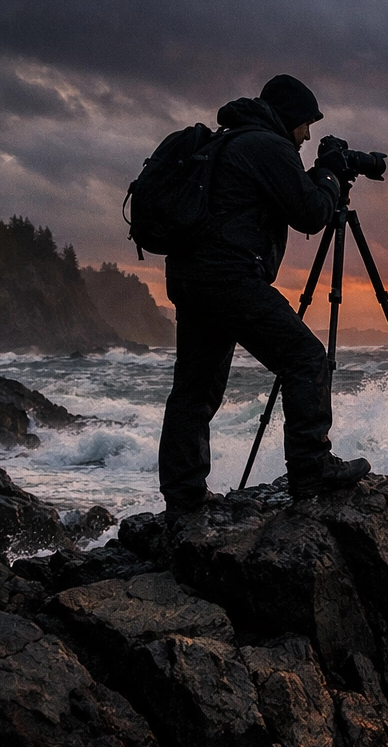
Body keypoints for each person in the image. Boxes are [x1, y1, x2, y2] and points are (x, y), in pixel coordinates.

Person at [158, 74, 370, 515]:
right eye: (306, 124)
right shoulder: (267, 145)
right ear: (290, 117)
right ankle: (312, 470)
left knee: (194, 392)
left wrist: (318, 177)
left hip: (191, 279)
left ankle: (184, 499)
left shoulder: (231, 142)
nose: (308, 134)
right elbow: (311, 214)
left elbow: (287, 198)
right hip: (230, 280)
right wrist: (330, 174)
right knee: (306, 359)